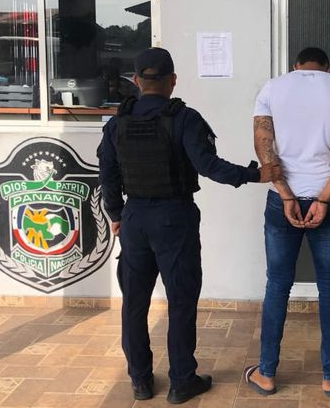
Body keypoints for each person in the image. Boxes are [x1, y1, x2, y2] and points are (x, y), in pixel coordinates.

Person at [97, 47, 282, 403]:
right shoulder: (184, 118)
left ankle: (140, 381)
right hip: (174, 218)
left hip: (135, 219)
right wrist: (255, 175)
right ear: (173, 80)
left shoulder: (118, 122)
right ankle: (182, 381)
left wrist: (117, 214)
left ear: (135, 81)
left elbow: (107, 173)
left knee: (134, 303)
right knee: (181, 301)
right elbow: (209, 166)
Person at [244, 47, 330, 398]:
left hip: (281, 201)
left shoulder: (272, 87)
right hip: (327, 200)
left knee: (277, 284)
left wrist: (286, 194)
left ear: (295, 66)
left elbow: (264, 146)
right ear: (327, 67)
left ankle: (266, 374)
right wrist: (323, 199)